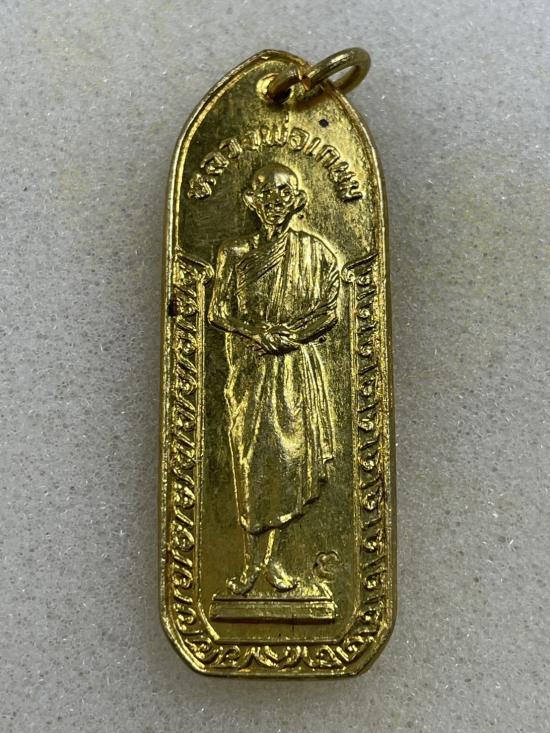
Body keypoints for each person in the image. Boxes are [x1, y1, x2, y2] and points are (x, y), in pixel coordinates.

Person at [208, 162, 340, 595]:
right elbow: (218, 311)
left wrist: (290, 336)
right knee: (252, 462)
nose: (275, 201)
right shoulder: (234, 252)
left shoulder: (315, 252)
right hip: (250, 369)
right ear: (251, 200)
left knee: (287, 463)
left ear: (298, 200)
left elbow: (329, 309)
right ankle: (250, 563)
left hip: (294, 371)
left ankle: (274, 560)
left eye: (285, 193)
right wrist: (257, 334)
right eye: (266, 193)